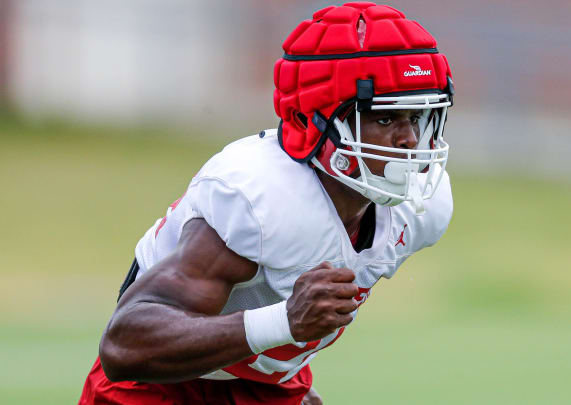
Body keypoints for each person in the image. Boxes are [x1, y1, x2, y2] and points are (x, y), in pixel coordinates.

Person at [78, 2, 454, 404]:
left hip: (264, 385)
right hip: (162, 385)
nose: (410, 140)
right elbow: (126, 346)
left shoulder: (417, 208)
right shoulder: (261, 197)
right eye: (385, 119)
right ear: (321, 121)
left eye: (416, 117)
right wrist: (284, 321)